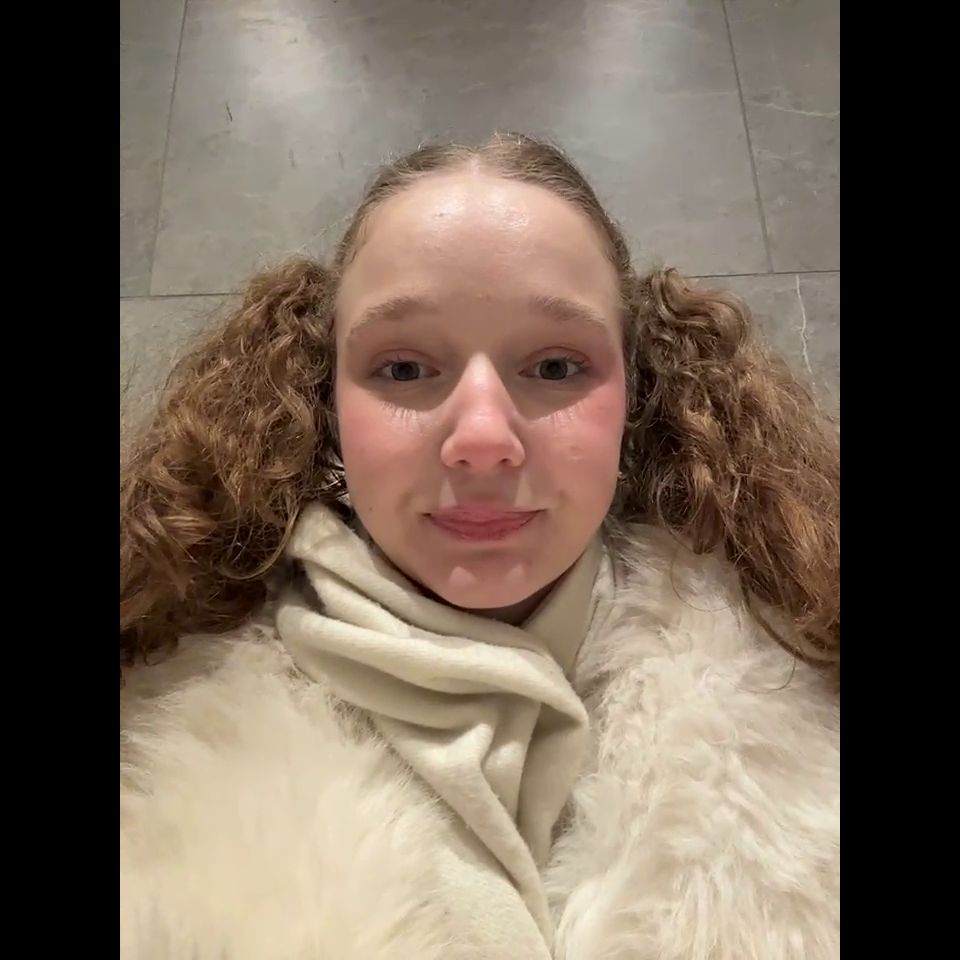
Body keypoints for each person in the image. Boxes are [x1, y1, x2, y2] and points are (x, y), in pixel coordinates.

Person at [120, 133, 839, 960]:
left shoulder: (812, 673)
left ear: (639, 393)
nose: (484, 438)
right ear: (323, 402)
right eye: (403, 369)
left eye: (557, 366)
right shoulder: (152, 743)